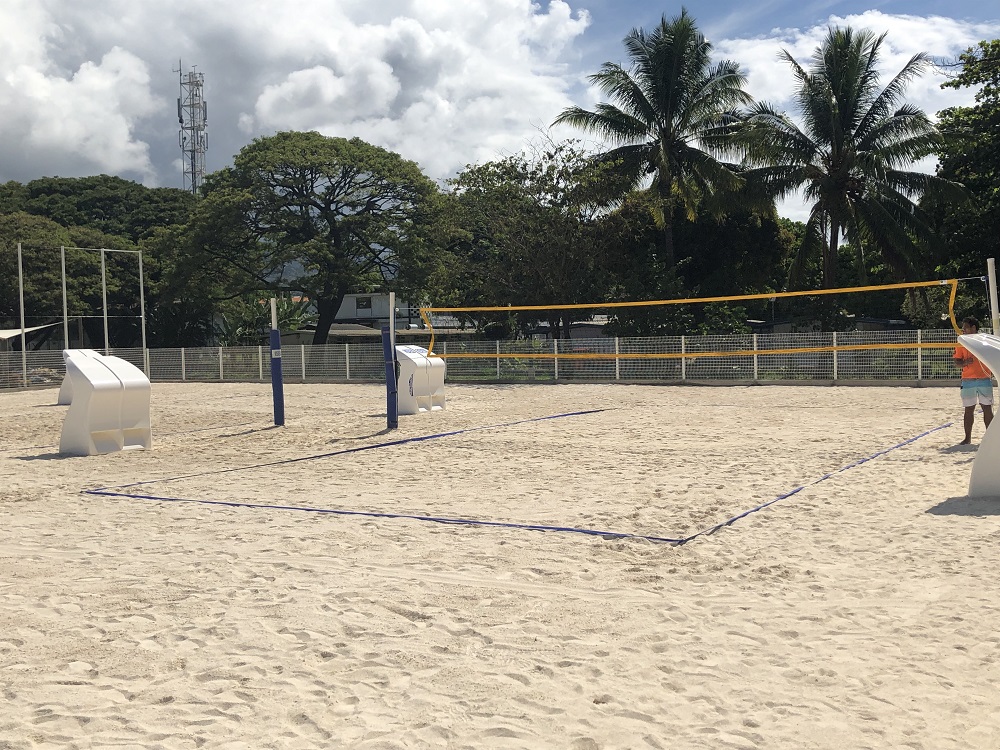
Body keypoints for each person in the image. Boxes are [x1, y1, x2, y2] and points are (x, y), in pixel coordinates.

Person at [953, 316, 994, 445]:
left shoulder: (984, 341)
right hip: (968, 379)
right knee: (968, 409)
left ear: (973, 328)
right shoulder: (962, 342)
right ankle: (967, 438)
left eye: (965, 327)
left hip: (984, 378)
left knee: (987, 409)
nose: (963, 330)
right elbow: (956, 362)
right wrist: (965, 362)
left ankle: (990, 438)